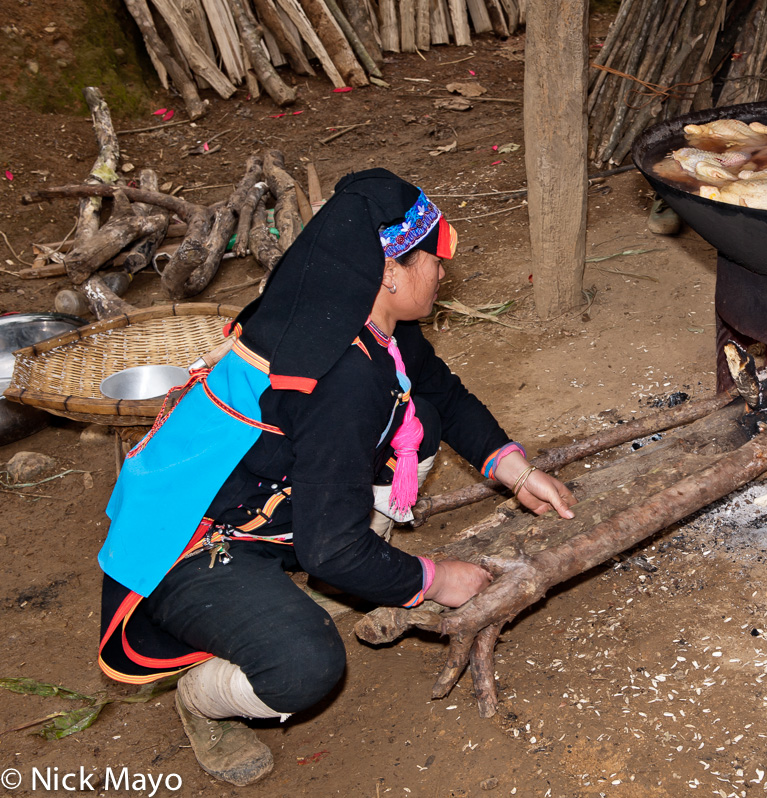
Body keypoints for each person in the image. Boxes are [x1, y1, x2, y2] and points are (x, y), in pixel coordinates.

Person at [95, 169, 577, 786]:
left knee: (419, 417)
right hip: (191, 543)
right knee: (304, 666)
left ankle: (348, 570)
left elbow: (440, 393)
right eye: (431, 258)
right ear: (389, 272)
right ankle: (203, 701)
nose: (441, 272)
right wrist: (434, 578)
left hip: (270, 502)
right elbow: (330, 544)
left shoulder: (352, 311)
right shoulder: (342, 377)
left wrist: (516, 471)